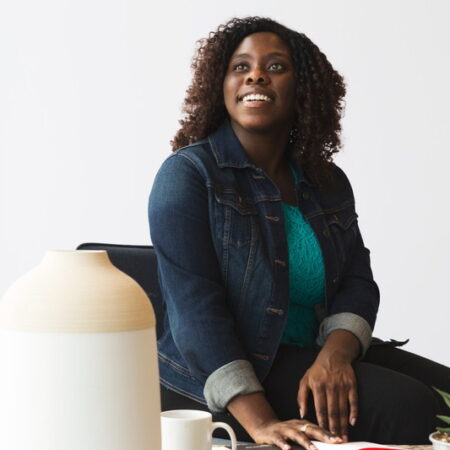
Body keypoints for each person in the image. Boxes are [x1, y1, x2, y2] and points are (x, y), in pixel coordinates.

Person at [148, 16, 450, 448]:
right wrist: (262, 423)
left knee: (446, 396)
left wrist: (335, 356)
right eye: (240, 67)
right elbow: (195, 312)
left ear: (302, 90)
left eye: (275, 67)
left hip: (313, 353)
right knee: (411, 408)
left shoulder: (326, 181)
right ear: (221, 85)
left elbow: (357, 282)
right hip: (232, 375)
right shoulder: (189, 175)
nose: (255, 75)